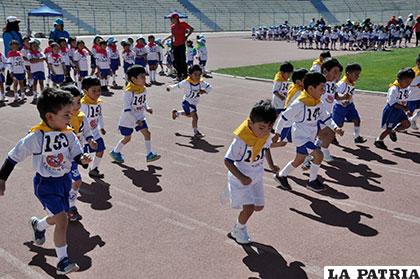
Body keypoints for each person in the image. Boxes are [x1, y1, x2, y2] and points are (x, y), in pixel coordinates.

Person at [0, 87, 91, 275]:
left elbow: (76, 151)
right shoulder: (36, 137)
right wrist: (2, 178)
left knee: (59, 218)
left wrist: (82, 159)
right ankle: (62, 261)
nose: (70, 117)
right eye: (66, 114)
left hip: (64, 181)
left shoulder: (68, 133)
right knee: (63, 221)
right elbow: (13, 157)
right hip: (46, 184)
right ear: (50, 117)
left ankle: (38, 225)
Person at [273, 72, 344, 192]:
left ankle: (281, 175)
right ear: (311, 88)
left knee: (299, 160)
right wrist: (277, 133)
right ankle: (312, 181)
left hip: (310, 136)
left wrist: (335, 127)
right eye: (322, 88)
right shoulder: (299, 103)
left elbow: (326, 117)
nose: (323, 91)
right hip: (301, 137)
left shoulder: (317, 102)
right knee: (318, 155)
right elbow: (284, 117)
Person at [225, 99, 278, 244]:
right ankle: (240, 229)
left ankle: (237, 227)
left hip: (256, 176)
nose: (265, 131)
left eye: (269, 127)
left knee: (258, 207)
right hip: (240, 178)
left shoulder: (265, 136)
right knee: (249, 208)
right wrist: (241, 177)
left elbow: (265, 149)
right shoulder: (241, 141)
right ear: (250, 123)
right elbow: (227, 161)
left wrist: (272, 165)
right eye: (261, 128)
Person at [110, 65, 161, 164]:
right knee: (127, 138)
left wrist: (147, 107)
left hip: (140, 116)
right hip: (128, 119)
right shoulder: (128, 92)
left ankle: (149, 154)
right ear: (133, 79)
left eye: (144, 76)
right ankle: (115, 151)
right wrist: (135, 120)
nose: (144, 79)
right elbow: (127, 109)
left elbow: (143, 100)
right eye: (142, 77)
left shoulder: (143, 88)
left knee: (147, 133)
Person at [62, 85, 96, 222]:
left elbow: (87, 132)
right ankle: (63, 205)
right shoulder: (61, 119)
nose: (78, 105)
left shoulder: (82, 117)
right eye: (74, 102)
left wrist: (91, 140)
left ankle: (70, 207)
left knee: (76, 181)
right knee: (66, 182)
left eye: (79, 101)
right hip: (62, 158)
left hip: (76, 156)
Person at [167, 65, 212, 138]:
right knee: (195, 117)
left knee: (189, 115)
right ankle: (196, 132)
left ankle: (176, 113)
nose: (197, 77)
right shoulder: (186, 83)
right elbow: (177, 85)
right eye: (195, 74)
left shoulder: (201, 82)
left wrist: (204, 91)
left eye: (199, 75)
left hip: (194, 102)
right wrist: (170, 87)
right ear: (190, 75)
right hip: (187, 102)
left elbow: (210, 87)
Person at [374, 68, 415, 149]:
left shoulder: (406, 88)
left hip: (400, 111)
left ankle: (394, 130)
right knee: (388, 129)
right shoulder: (394, 89)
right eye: (406, 82)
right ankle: (379, 140)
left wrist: (406, 110)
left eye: (410, 82)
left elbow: (405, 99)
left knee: (407, 124)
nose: (408, 84)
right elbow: (392, 103)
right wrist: (405, 108)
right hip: (391, 111)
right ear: (399, 79)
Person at [332, 63, 366, 144]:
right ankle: (332, 137)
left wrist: (348, 100)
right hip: (340, 107)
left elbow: (349, 94)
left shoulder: (352, 82)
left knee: (357, 119)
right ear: (348, 73)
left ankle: (357, 137)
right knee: (338, 125)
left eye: (358, 74)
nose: (358, 77)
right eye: (356, 74)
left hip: (350, 105)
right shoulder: (341, 84)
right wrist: (343, 99)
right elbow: (335, 95)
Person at [80, 76, 106, 178]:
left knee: (101, 149)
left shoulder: (98, 103)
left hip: (94, 133)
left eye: (99, 90)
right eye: (94, 91)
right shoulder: (83, 105)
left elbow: (100, 115)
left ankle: (94, 169)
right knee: (80, 155)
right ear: (86, 91)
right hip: (83, 135)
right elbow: (80, 120)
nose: (97, 93)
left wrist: (101, 127)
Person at [162, 13, 194, 81]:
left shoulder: (183, 23)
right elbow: (173, 35)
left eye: (171, 19)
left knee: (182, 60)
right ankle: (179, 75)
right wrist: (165, 39)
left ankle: (185, 75)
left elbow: (191, 29)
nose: (170, 20)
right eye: (170, 19)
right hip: (174, 45)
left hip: (181, 45)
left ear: (176, 18)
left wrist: (186, 36)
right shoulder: (172, 26)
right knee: (176, 61)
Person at [2, 16, 23, 91]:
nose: (18, 25)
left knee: (20, 68)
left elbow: (21, 42)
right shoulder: (7, 33)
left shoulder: (17, 33)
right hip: (11, 54)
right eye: (16, 23)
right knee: (11, 69)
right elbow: (10, 45)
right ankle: (8, 84)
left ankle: (22, 83)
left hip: (19, 53)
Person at [27, 39, 46, 103]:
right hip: (34, 70)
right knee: (34, 83)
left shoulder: (41, 53)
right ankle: (35, 95)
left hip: (41, 70)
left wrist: (36, 60)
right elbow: (31, 61)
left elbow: (44, 58)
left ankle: (42, 94)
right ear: (31, 47)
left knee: (41, 82)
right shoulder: (29, 54)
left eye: (36, 46)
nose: (35, 47)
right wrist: (39, 59)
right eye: (33, 46)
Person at [408, 56, 420, 129]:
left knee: (410, 114)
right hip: (412, 96)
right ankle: (398, 127)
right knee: (409, 113)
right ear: (417, 63)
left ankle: (413, 119)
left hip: (418, 96)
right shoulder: (413, 72)